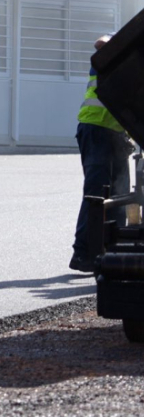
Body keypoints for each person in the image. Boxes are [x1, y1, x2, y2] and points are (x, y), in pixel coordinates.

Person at [70, 34, 133, 272]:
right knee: (97, 195)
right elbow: (102, 42)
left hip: (115, 136)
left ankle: (113, 251)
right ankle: (84, 253)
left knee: (120, 195)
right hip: (95, 129)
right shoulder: (111, 54)